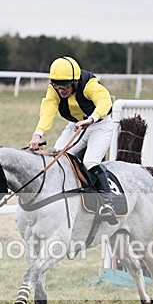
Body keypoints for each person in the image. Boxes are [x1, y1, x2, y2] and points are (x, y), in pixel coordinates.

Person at [27, 56, 117, 225]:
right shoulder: (54, 90)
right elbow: (48, 110)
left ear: (75, 82)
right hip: (76, 125)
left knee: (90, 162)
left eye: (66, 86)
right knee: (57, 159)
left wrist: (91, 119)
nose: (61, 91)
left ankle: (107, 203)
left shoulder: (89, 84)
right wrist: (38, 134)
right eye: (57, 86)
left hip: (100, 124)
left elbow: (104, 101)